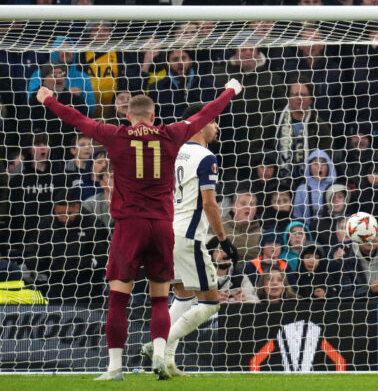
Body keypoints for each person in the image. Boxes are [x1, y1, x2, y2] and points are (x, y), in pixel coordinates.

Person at [34, 77, 242, 381]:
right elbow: (205, 113)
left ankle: (114, 368)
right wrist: (230, 91)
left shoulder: (116, 135)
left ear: (128, 116)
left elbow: (77, 119)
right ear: (154, 117)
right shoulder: (172, 134)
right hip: (162, 226)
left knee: (119, 297)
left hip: (129, 226)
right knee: (160, 297)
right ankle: (159, 355)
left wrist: (48, 100)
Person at [139, 103, 241, 376]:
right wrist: (223, 239)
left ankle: (167, 362)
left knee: (183, 295)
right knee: (210, 303)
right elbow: (210, 204)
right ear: (199, 123)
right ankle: (158, 345)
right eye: (213, 121)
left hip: (167, 232)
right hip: (189, 236)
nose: (216, 126)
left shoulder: (172, 153)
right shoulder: (206, 157)